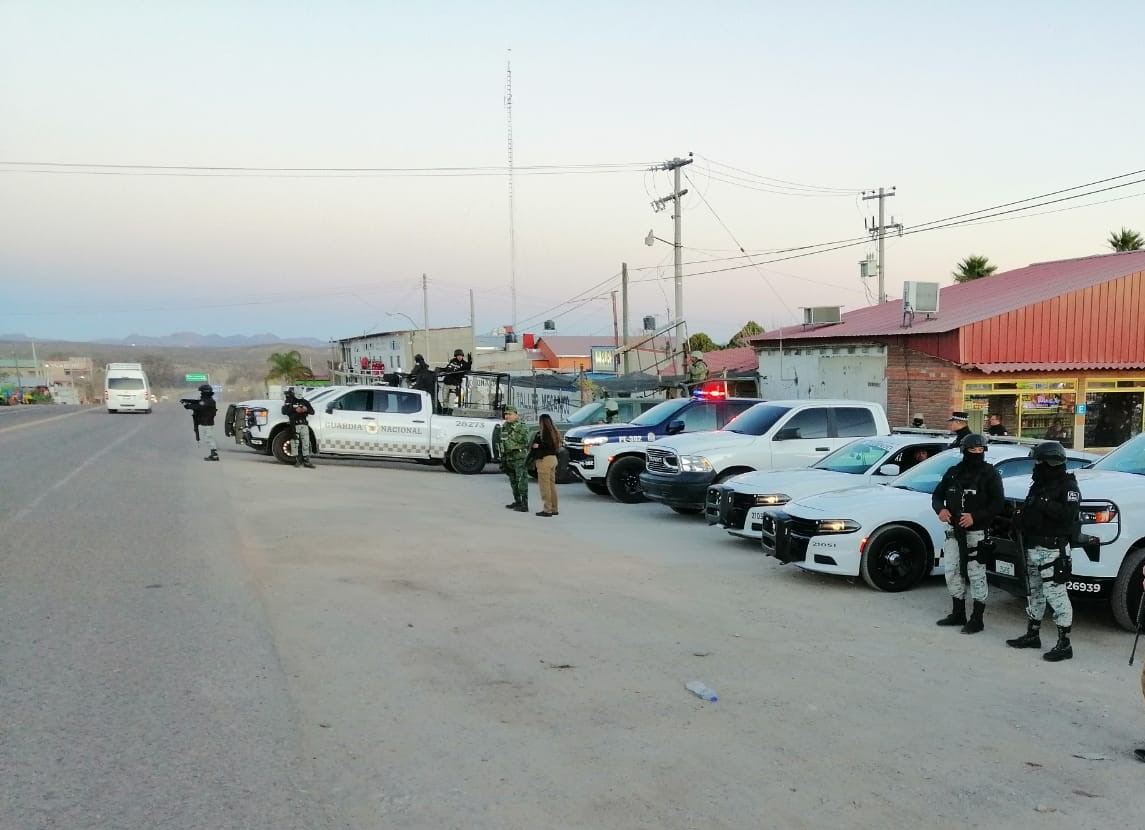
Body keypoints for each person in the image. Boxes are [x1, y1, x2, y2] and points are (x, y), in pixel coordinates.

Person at [1005, 441, 1080, 661]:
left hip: (1053, 549)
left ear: (1050, 462)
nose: (1035, 466)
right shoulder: (1038, 485)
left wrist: (1044, 503)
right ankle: (1032, 634)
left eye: (1038, 461)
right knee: (1034, 592)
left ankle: (1064, 644)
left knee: (1056, 595)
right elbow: (1030, 510)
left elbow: (1068, 515)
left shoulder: (1068, 486)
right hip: (1033, 547)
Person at [932, 433, 1004, 634]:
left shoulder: (990, 474)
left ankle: (977, 619)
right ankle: (958, 613)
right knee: (952, 571)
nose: (977, 453)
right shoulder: (953, 472)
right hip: (953, 532)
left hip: (977, 533)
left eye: (981, 450)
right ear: (965, 450)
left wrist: (975, 516)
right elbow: (937, 495)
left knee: (976, 575)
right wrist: (940, 510)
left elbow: (998, 503)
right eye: (973, 449)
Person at [497, 405, 531, 512]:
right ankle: (517, 501)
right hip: (508, 457)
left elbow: (525, 441)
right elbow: (502, 441)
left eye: (510, 414)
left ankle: (524, 504)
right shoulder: (505, 426)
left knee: (521, 481)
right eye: (506, 414)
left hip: (519, 457)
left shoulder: (521, 426)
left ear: (516, 415)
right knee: (513, 481)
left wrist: (512, 439)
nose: (507, 416)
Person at [531, 413, 562, 517]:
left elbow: (545, 446)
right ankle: (554, 508)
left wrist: (537, 446)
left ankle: (547, 509)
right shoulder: (554, 432)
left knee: (544, 487)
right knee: (551, 486)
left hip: (544, 460)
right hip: (553, 459)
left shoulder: (543, 434)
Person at [282, 388, 316, 469]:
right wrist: (295, 409)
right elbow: (284, 411)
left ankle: (306, 460)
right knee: (295, 442)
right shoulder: (290, 401)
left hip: (304, 424)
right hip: (294, 424)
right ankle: (297, 460)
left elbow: (312, 411)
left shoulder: (305, 402)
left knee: (306, 442)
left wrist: (305, 409)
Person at [185, 383, 219, 461]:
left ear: (205, 392)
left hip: (207, 422)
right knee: (208, 438)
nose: (201, 393)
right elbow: (198, 403)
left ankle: (214, 455)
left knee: (209, 438)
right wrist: (187, 401)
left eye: (202, 392)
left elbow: (199, 406)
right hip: (206, 422)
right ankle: (214, 454)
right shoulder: (208, 400)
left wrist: (188, 406)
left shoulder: (208, 401)